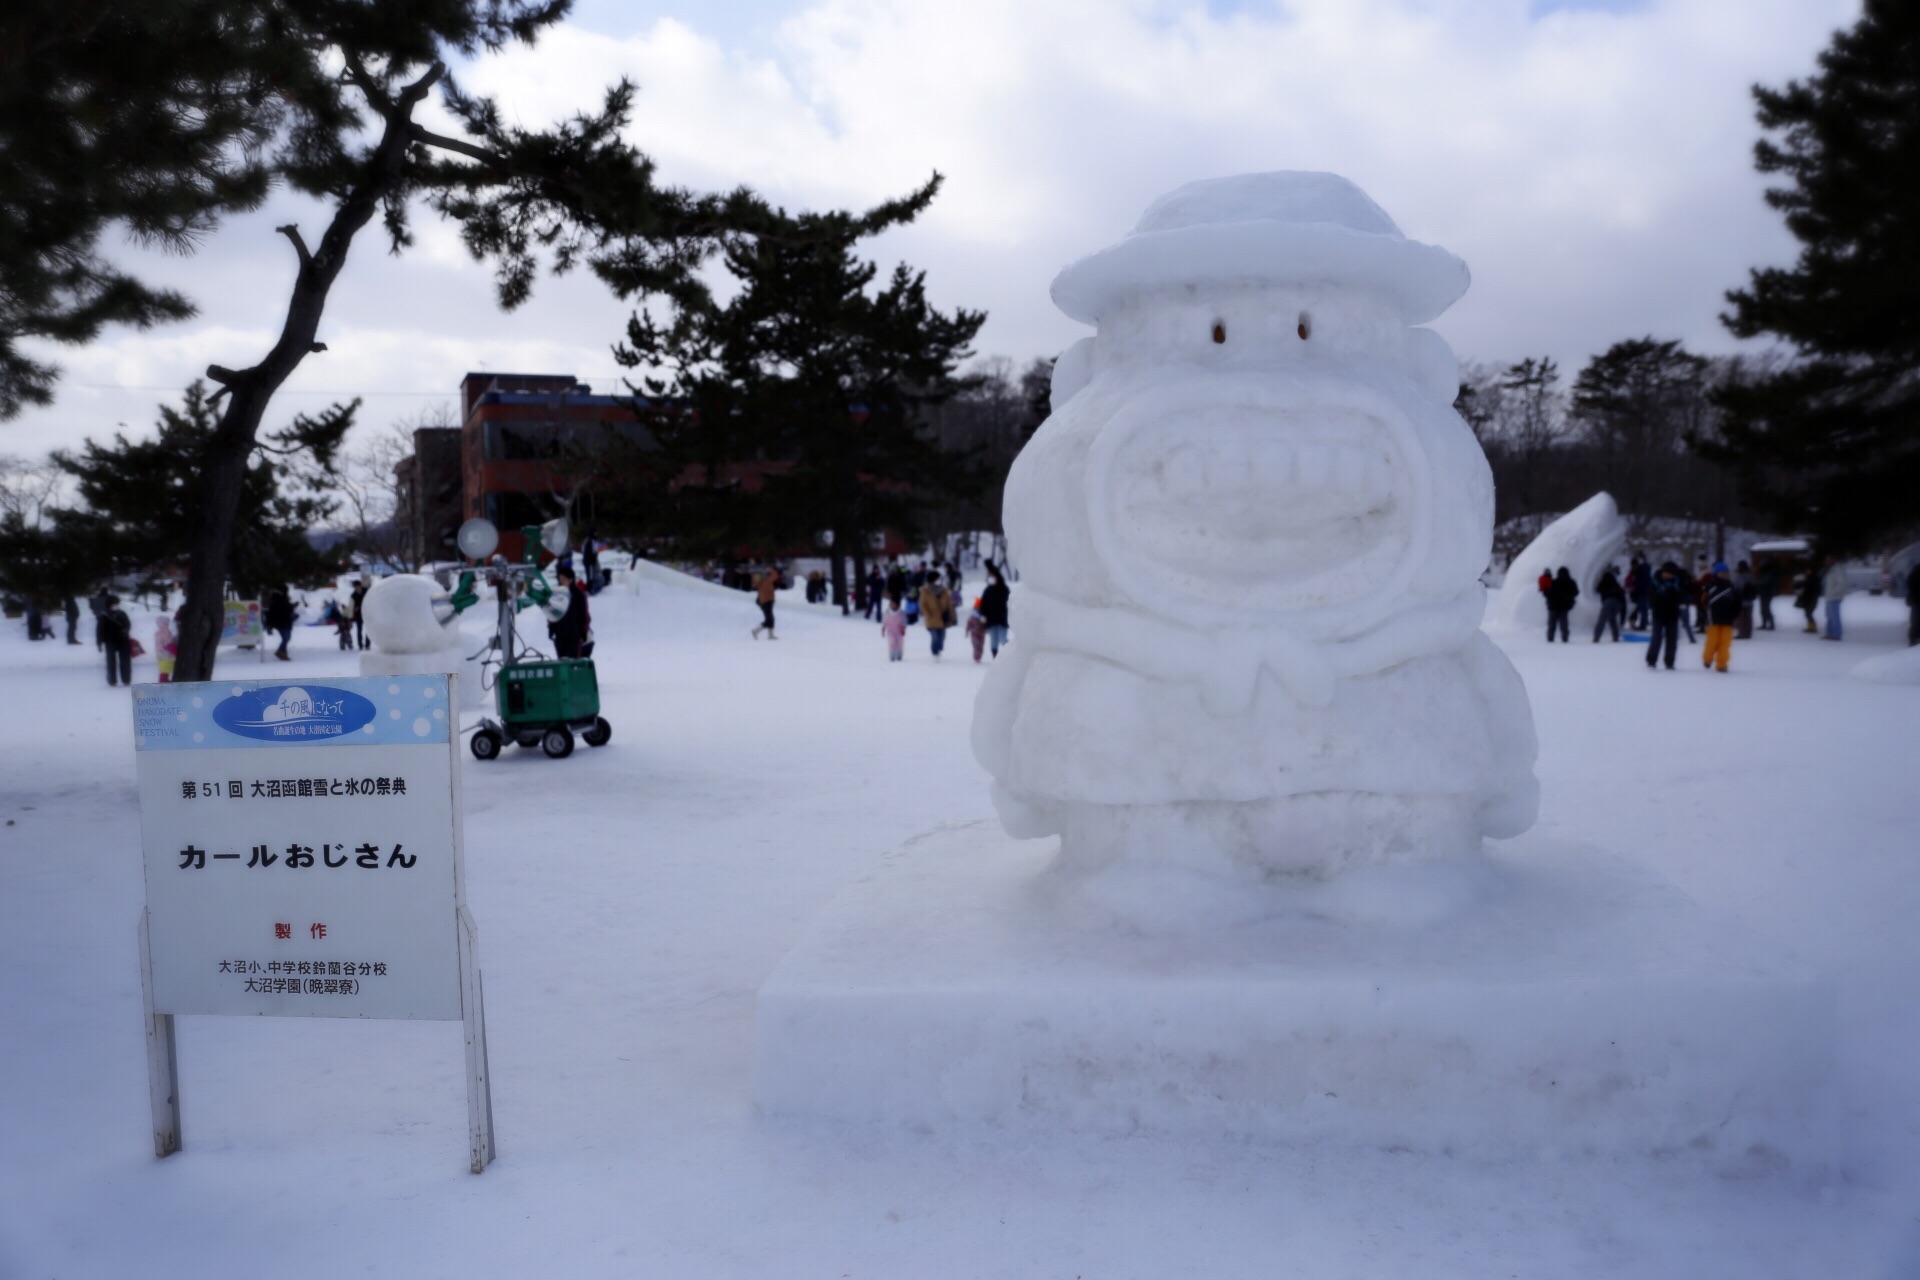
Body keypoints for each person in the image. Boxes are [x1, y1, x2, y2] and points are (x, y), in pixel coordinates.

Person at [1701, 562, 1741, 673]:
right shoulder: (1710, 587)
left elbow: (1737, 602)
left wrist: (1735, 613)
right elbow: (1703, 601)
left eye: (1725, 573)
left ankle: (1722, 664)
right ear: (1716, 574)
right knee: (1712, 641)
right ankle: (1707, 659)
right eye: (1721, 573)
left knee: (1725, 643)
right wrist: (1705, 613)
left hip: (1728, 619)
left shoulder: (1732, 587)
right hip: (1713, 619)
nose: (1724, 575)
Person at [1645, 562, 1686, 671]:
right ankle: (1651, 660)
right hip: (1658, 614)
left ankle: (1669, 661)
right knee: (1656, 638)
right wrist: (1661, 592)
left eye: (1670, 574)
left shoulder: (1677, 583)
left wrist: (1675, 592)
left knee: (1671, 639)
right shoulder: (1655, 582)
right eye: (1666, 573)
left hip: (1672, 615)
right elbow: (1651, 598)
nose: (1667, 576)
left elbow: (1682, 597)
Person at [548, 565, 590, 658]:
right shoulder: (556, 594)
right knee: (561, 660)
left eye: (563, 579)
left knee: (572, 661)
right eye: (560, 579)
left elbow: (583, 614)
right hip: (560, 634)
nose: (561, 581)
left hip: (574, 634)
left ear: (570, 580)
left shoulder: (578, 595)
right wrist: (551, 629)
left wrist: (583, 632)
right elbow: (552, 613)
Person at [918, 574, 955, 659]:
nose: (939, 581)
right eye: (937, 579)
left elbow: (949, 604)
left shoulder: (944, 591)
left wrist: (952, 616)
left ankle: (939, 649)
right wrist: (927, 614)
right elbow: (923, 605)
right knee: (934, 636)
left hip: (943, 618)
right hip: (932, 618)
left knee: (942, 637)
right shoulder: (926, 591)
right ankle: (934, 652)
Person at [979, 564, 1011, 658]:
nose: (990, 578)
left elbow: (1010, 603)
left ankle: (1009, 656)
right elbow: (983, 604)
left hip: (1002, 619)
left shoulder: (1004, 589)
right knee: (993, 640)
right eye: (989, 577)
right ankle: (995, 658)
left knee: (1003, 639)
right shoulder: (987, 590)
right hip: (991, 620)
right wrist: (983, 615)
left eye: (991, 576)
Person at [100, 595, 133, 686]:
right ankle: (112, 680)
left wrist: (126, 630)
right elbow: (100, 630)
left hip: (123, 640)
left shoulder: (122, 613)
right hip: (110, 641)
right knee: (111, 661)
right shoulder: (104, 615)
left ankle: (126, 679)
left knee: (125, 661)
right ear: (109, 604)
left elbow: (128, 624)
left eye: (117, 603)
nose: (116, 605)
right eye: (114, 604)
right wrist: (99, 642)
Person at [1544, 567, 1578, 642]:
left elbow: (1547, 593)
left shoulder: (1554, 582)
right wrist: (1568, 597)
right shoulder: (1571, 582)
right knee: (1564, 625)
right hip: (1564, 607)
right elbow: (1576, 592)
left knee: (1552, 625)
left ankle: (1550, 639)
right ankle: (1565, 638)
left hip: (1553, 607)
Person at [1592, 565, 1625, 642]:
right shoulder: (1616, 583)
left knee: (1602, 619)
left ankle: (1596, 638)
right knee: (1612, 619)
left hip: (1608, 600)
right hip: (1618, 602)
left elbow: (1598, 589)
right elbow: (1622, 597)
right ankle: (1615, 637)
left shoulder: (1606, 578)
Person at [1821, 554, 1848, 640]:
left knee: (1834, 616)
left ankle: (1836, 634)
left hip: (1834, 597)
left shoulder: (1838, 569)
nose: (1827, 561)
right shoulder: (1832, 569)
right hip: (1829, 597)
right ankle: (1830, 633)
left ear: (1833, 559)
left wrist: (1834, 592)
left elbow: (1842, 583)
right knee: (1829, 616)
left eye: (1828, 559)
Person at [264, 585, 296, 661]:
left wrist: (292, 606)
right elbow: (272, 613)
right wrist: (269, 625)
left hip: (286, 621)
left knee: (287, 638)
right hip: (280, 622)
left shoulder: (284, 599)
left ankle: (281, 652)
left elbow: (288, 609)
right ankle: (281, 653)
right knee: (285, 638)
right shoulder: (275, 600)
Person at [751, 564, 780, 639]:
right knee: (769, 619)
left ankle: (770, 635)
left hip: (764, 601)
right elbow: (775, 575)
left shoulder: (760, 582)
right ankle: (756, 631)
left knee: (770, 618)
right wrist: (770, 569)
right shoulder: (766, 580)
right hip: (767, 601)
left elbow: (755, 584)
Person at [1793, 564, 1821, 634]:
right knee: (1807, 613)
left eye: (1808, 570)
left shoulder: (1814, 578)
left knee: (1809, 613)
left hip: (1811, 599)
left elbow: (1811, 588)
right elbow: (1804, 585)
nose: (1807, 571)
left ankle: (1813, 627)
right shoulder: (1808, 577)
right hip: (1808, 599)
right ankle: (1810, 627)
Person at [1733, 560, 1756, 640]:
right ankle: (1748, 633)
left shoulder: (1739, 576)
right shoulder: (1751, 575)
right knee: (1749, 617)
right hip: (1749, 599)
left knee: (1741, 617)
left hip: (1741, 599)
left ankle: (1742, 633)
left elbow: (1737, 587)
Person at [1755, 559, 1779, 631]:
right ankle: (1767, 624)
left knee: (1765, 608)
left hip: (1766, 593)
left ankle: (1769, 624)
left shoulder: (1768, 572)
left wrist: (1756, 583)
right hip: (1766, 593)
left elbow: (1763, 582)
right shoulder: (1769, 572)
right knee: (1764, 608)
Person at [350, 578, 371, 650]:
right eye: (355, 587)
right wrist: (355, 609)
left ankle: (367, 644)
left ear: (360, 586)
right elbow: (351, 606)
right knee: (359, 630)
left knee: (368, 630)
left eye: (358, 586)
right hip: (359, 614)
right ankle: (360, 645)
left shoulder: (366, 591)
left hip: (367, 613)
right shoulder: (353, 595)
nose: (357, 588)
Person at [1907, 565, 1920, 647]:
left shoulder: (1916, 569)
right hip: (1917, 600)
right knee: (1916, 621)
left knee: (1915, 621)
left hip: (1916, 601)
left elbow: (1909, 583)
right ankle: (1913, 640)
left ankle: (1913, 641)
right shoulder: (1917, 570)